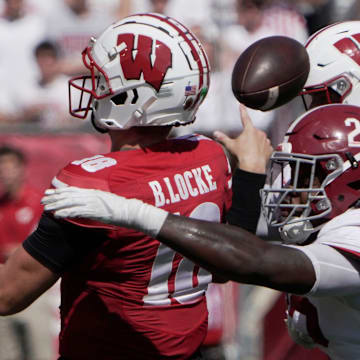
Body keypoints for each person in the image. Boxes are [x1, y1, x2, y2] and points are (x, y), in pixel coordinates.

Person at [0, 13, 272, 360]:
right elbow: (224, 266)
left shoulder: (94, 180)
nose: (95, 84)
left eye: (103, 79)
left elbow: (7, 295)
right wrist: (250, 173)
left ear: (132, 97)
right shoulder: (209, 156)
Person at [42, 102, 360, 360]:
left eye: (304, 177)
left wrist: (133, 212)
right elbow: (232, 245)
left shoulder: (354, 230)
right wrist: (248, 172)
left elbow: (255, 260)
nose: (289, 190)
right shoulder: (330, 223)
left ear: (346, 178)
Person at [0, 145, 57, 360]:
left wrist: (21, 248)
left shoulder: (39, 202)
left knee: (38, 350)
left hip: (30, 284)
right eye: (2, 167)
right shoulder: (2, 206)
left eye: (10, 166)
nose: (5, 172)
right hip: (3, 281)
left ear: (22, 169)